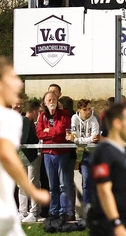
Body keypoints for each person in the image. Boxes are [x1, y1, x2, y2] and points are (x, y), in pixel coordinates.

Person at [0, 57, 50, 236]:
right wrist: (33, 191)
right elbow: (7, 155)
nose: (18, 84)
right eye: (13, 79)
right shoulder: (9, 118)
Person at [87, 103, 126, 236]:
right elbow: (104, 190)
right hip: (107, 225)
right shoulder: (105, 151)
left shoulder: (122, 153)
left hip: (120, 222)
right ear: (117, 123)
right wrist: (115, 223)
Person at [36, 89, 76, 231]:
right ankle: (53, 212)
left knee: (63, 185)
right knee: (52, 186)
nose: (52, 102)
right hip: (48, 154)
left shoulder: (64, 114)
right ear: (45, 103)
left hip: (62, 153)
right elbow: (39, 133)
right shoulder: (42, 116)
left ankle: (64, 212)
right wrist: (49, 133)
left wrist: (49, 132)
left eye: (54, 99)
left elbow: (61, 131)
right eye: (49, 100)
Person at [70, 98, 101, 219]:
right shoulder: (74, 118)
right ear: (79, 110)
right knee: (86, 180)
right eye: (85, 109)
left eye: (89, 109)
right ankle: (86, 208)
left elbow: (94, 138)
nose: (88, 112)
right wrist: (83, 140)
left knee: (92, 180)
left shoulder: (94, 120)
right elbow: (74, 137)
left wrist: (78, 140)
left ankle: (92, 207)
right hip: (79, 153)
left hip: (92, 153)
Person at [19, 99, 44, 223]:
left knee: (31, 184)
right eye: (38, 112)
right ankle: (25, 212)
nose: (38, 115)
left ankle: (32, 212)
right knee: (28, 185)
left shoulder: (29, 122)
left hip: (30, 157)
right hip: (28, 157)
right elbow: (21, 139)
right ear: (34, 111)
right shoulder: (25, 121)